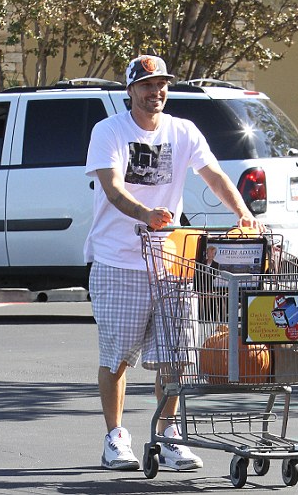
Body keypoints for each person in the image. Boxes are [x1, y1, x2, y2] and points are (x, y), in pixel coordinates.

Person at [84, 55, 265, 470]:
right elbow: (112, 189)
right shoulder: (109, 131)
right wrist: (145, 214)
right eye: (147, 85)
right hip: (118, 262)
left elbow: (215, 174)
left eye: (162, 85)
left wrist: (242, 213)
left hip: (171, 262)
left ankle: (168, 434)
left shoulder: (183, 130)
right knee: (117, 357)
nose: (156, 93)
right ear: (130, 91)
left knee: (177, 355)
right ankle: (115, 438)